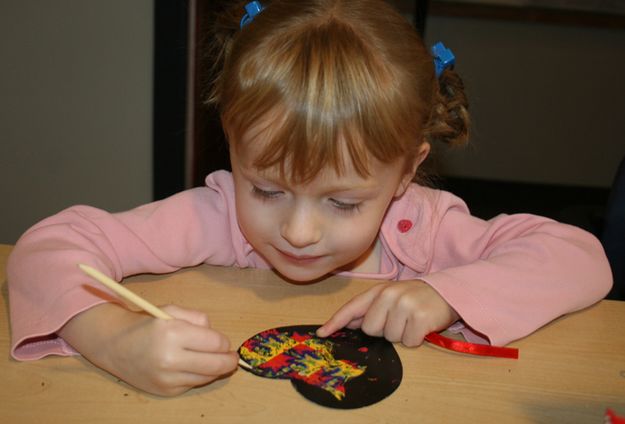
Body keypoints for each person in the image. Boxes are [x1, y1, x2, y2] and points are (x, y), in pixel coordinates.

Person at [7, 0, 612, 397]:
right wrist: (112, 339)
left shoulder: (421, 229)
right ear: (234, 150)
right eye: (266, 189)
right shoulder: (215, 215)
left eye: (344, 203)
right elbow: (45, 248)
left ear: (406, 173)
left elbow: (582, 257)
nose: (297, 231)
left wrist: (443, 292)